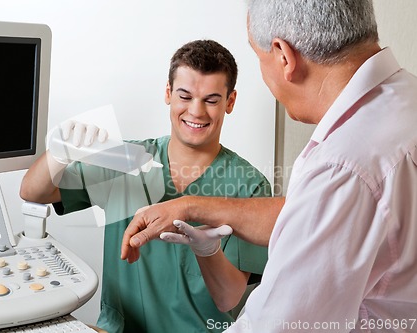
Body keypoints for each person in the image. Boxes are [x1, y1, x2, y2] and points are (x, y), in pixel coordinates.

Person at [120, 1, 417, 332]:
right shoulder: (406, 100)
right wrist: (192, 207)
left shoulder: (343, 166)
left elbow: (272, 325)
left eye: (257, 56)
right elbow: (314, 215)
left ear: (284, 56)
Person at [20, 39, 271, 333]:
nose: (196, 111)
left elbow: (228, 299)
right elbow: (32, 192)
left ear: (230, 101)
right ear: (168, 93)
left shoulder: (250, 187)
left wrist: (209, 252)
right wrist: (59, 153)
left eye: (211, 100)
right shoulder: (125, 161)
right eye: (185, 96)